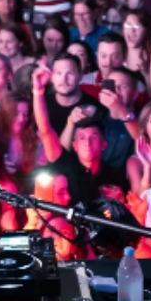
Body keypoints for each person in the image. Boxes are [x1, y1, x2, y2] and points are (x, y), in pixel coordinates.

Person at [31, 66, 107, 207]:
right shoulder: (65, 164)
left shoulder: (112, 174)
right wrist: (38, 91)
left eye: (93, 137)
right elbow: (46, 131)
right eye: (82, 138)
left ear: (103, 144)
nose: (87, 143)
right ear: (75, 145)